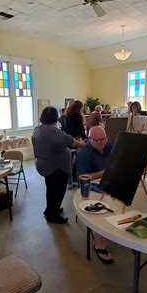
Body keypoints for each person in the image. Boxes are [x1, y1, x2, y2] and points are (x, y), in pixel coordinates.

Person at [32, 106, 85, 224]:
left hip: (43, 165)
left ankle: (50, 210)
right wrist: (81, 144)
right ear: (55, 118)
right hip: (55, 167)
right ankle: (53, 215)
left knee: (51, 189)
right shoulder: (53, 131)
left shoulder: (38, 129)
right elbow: (69, 141)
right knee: (59, 190)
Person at [76, 126, 114, 264]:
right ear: (90, 139)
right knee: (100, 206)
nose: (101, 143)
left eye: (103, 139)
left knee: (126, 195)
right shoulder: (83, 152)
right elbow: (83, 177)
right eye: (97, 140)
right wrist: (103, 173)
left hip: (108, 181)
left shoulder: (109, 147)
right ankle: (99, 241)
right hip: (89, 185)